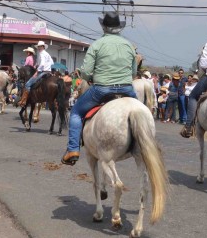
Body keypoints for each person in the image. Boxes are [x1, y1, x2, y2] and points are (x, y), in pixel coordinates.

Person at [62, 11, 138, 166]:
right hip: (127, 90)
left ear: (104, 27)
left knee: (76, 112)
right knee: (142, 113)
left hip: (102, 89)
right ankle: (143, 144)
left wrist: (89, 78)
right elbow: (134, 73)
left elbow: (87, 72)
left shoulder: (97, 45)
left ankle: (73, 150)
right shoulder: (129, 46)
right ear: (119, 28)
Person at [18, 41, 52, 106]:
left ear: (43, 47)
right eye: (38, 46)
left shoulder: (41, 54)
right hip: (48, 71)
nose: (39, 48)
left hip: (42, 71)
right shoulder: (47, 54)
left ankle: (24, 100)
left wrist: (37, 71)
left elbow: (42, 64)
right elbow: (51, 62)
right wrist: (37, 65)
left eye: (40, 46)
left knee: (27, 84)